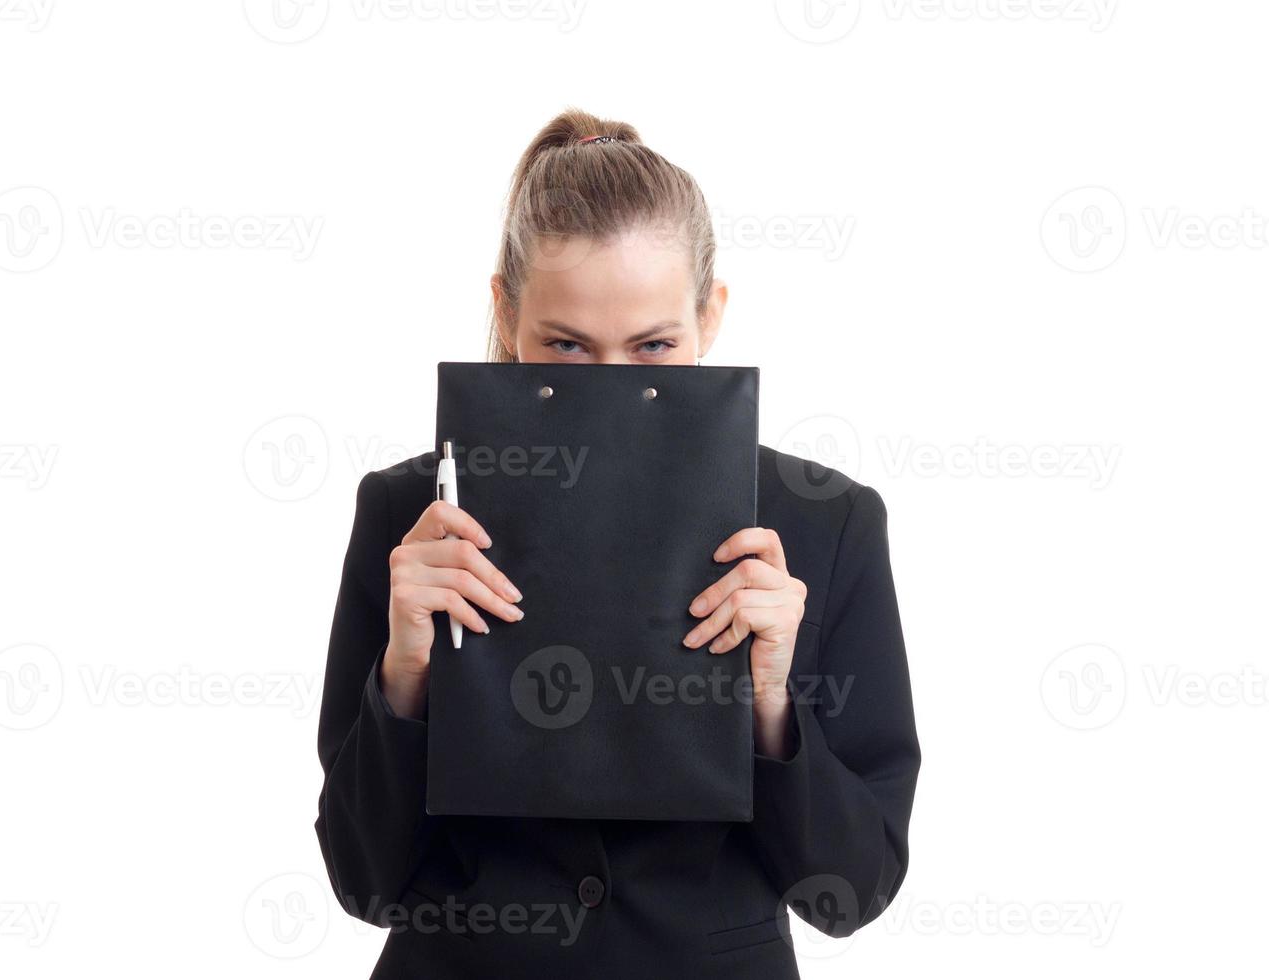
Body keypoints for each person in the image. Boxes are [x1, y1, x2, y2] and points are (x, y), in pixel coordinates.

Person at [314, 108, 921, 979]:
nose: (609, 389)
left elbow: (853, 893)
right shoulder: (408, 516)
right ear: (505, 313)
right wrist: (404, 678)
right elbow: (363, 884)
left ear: (709, 317)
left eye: (654, 347)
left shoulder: (825, 522)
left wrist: (775, 703)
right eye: (565, 346)